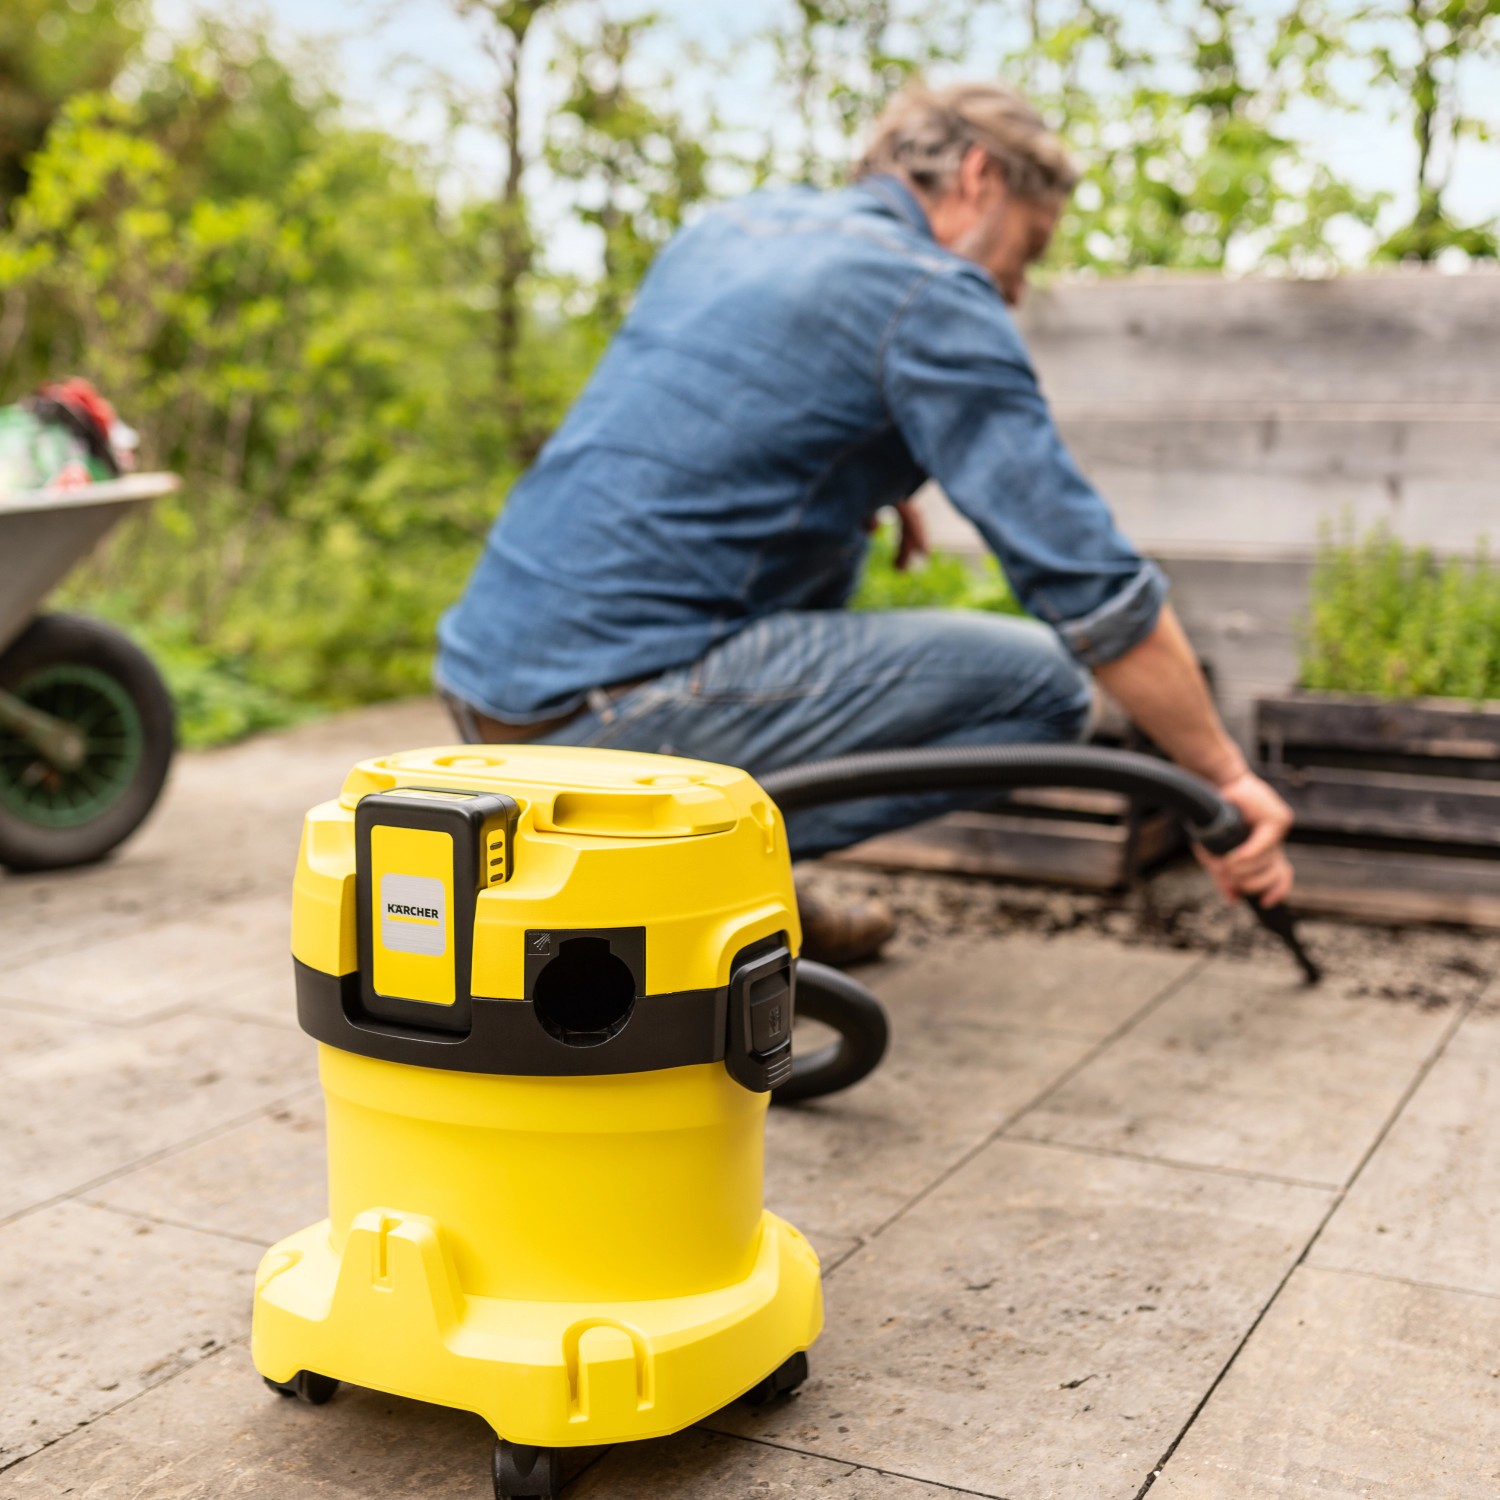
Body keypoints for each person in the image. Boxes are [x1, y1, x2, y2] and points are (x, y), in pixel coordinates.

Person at [437, 81, 1294, 963]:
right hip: (603, 724)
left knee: (835, 545)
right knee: (1046, 685)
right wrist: (1222, 781)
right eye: (1027, 248)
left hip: (487, 698)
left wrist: (873, 484)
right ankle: (714, 886)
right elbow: (1090, 588)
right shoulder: (929, 293)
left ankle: (736, 884)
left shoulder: (734, 227)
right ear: (978, 176)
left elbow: (697, 435)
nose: (1016, 288)